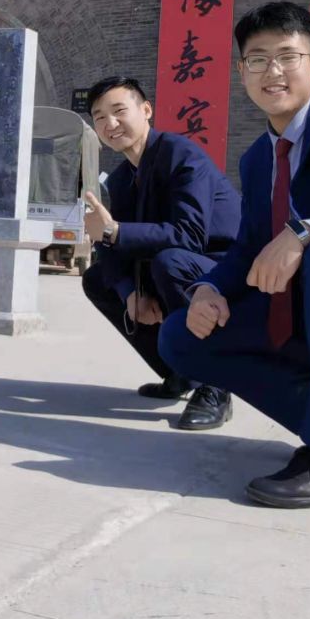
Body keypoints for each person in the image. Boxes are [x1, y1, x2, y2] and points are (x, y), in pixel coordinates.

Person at [159, 2, 310, 507]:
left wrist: (305, 233)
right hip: (294, 314)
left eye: (287, 56)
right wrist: (208, 289)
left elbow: (301, 241)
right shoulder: (257, 159)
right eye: (258, 59)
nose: (273, 72)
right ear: (241, 72)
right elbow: (248, 246)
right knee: (182, 336)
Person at [82, 76, 241, 430]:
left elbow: (189, 235)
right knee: (98, 279)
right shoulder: (122, 178)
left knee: (170, 262)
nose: (110, 123)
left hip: (224, 269)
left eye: (119, 111)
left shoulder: (181, 156)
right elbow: (113, 248)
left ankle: (216, 385)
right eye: (99, 117)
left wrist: (115, 231)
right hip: (175, 265)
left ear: (146, 110)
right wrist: (129, 292)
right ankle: (180, 371)